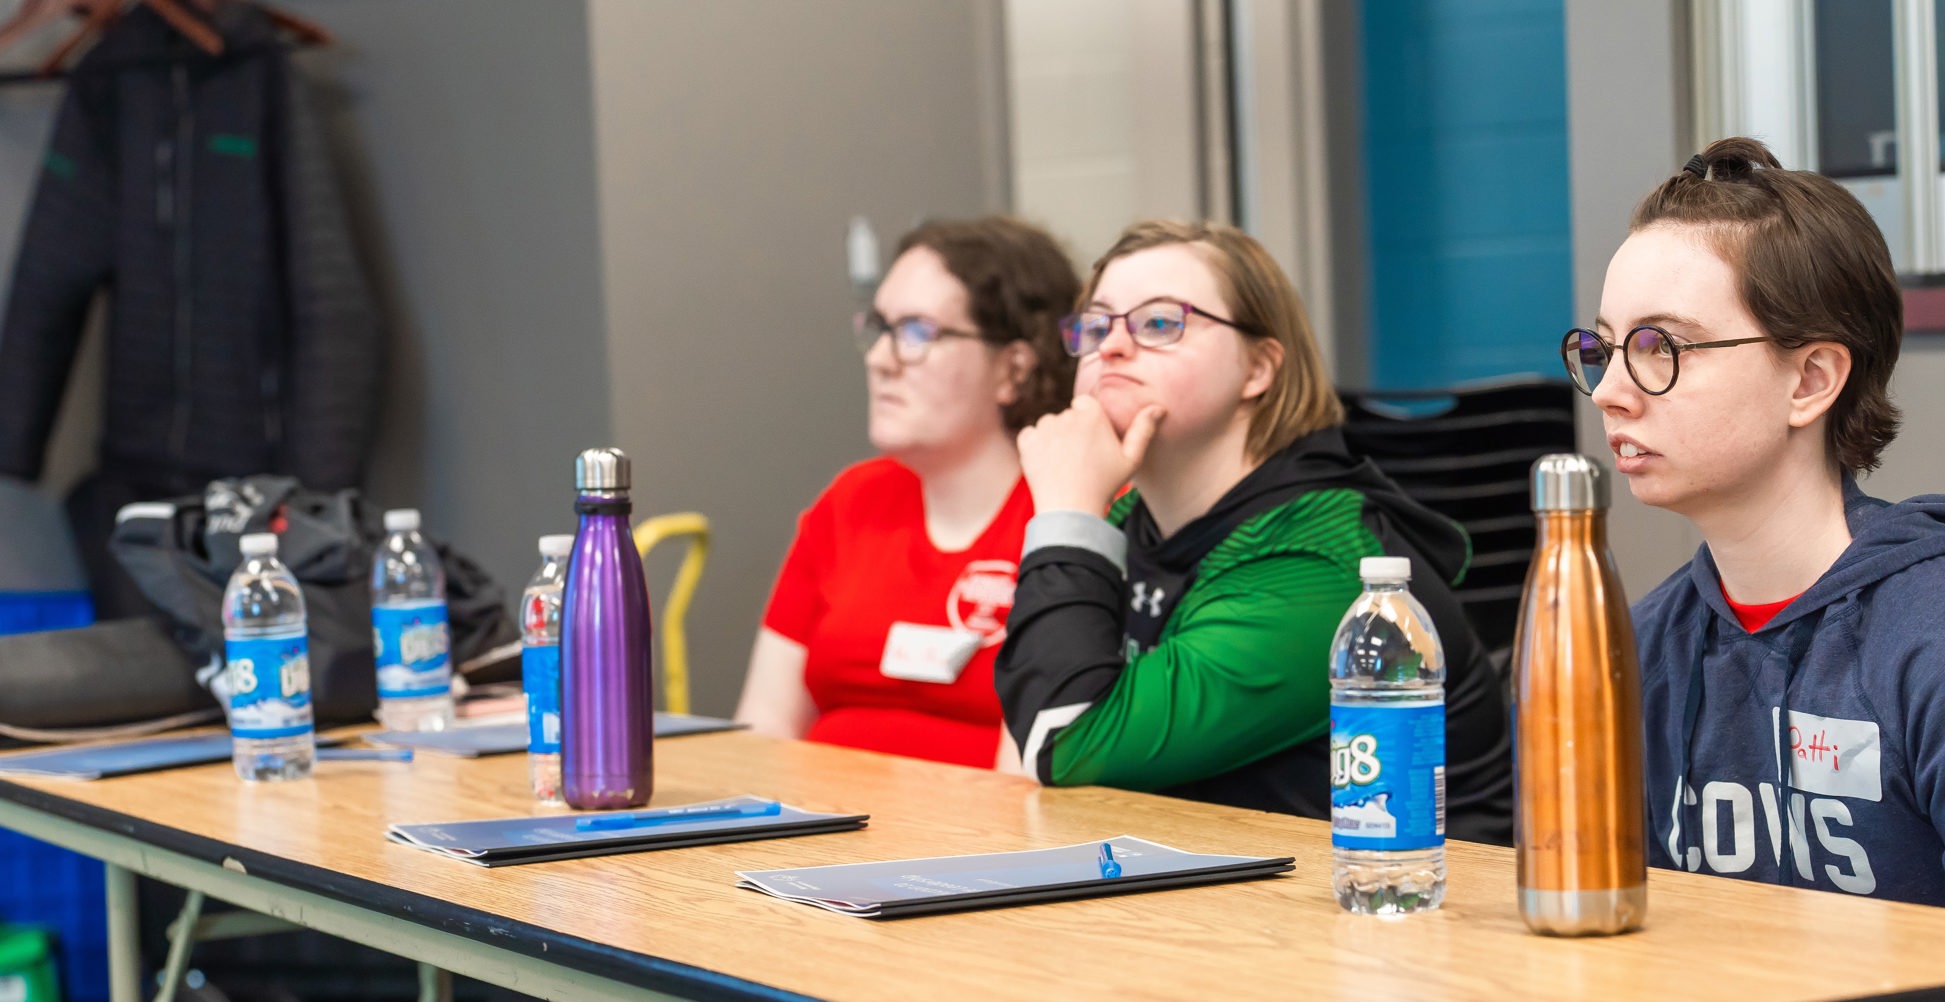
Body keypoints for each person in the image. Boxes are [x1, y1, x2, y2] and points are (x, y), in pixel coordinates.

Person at [995, 219, 1512, 844]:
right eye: (1097, 326)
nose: (1112, 347)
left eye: (1159, 322)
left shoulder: (1318, 559)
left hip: (1393, 898)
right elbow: (1025, 750)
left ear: (1258, 368)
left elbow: (1063, 741)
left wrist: (1066, 513)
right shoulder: (1126, 524)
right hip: (1206, 885)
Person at [1572, 136, 1945, 904]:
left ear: (1809, 381)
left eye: (1658, 346)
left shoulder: (1926, 639)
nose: (1608, 391)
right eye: (1603, 348)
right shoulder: (1640, 649)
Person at [736, 217, 1079, 768]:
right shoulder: (851, 501)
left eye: (918, 332)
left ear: (1013, 369)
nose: (879, 359)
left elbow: (1038, 778)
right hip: (816, 817)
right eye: (880, 327)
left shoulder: (1070, 511)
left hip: (978, 821)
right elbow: (764, 729)